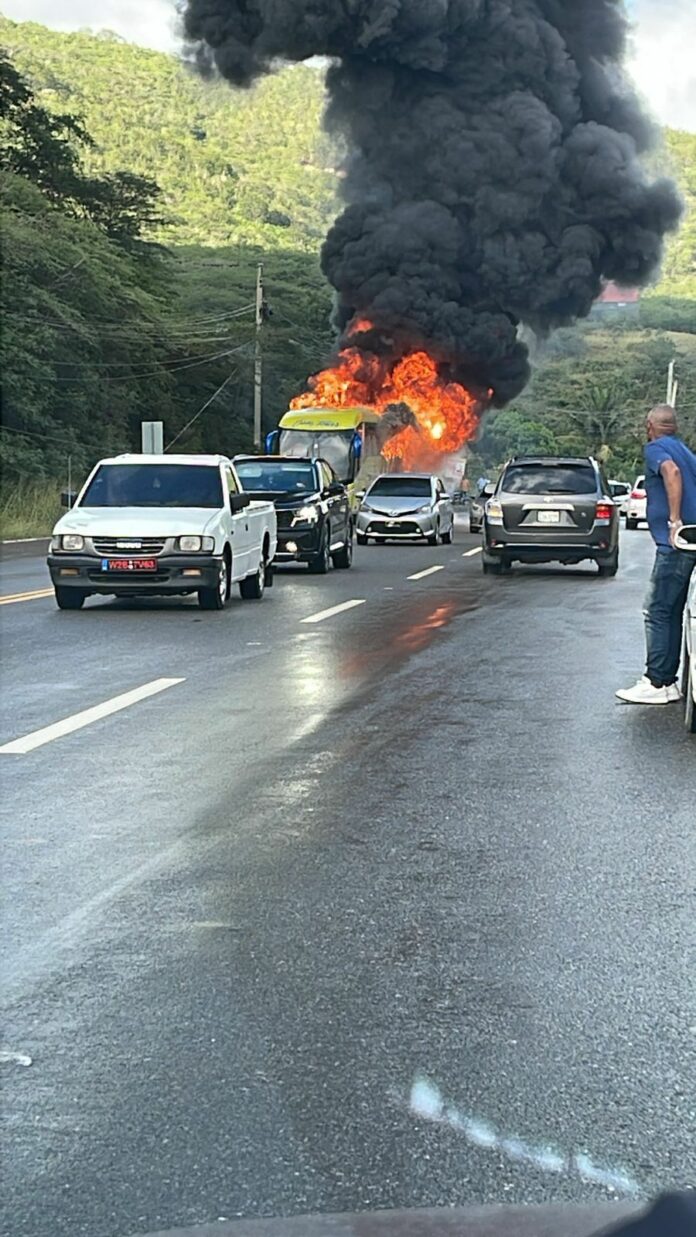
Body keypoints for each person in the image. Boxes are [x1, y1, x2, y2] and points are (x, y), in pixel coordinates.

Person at [617, 404, 696, 705]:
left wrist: (674, 520)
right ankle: (669, 682)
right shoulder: (685, 450)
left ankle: (656, 681)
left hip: (675, 544)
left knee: (658, 610)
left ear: (649, 425)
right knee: (672, 611)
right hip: (690, 540)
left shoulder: (657, 450)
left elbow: (670, 472)